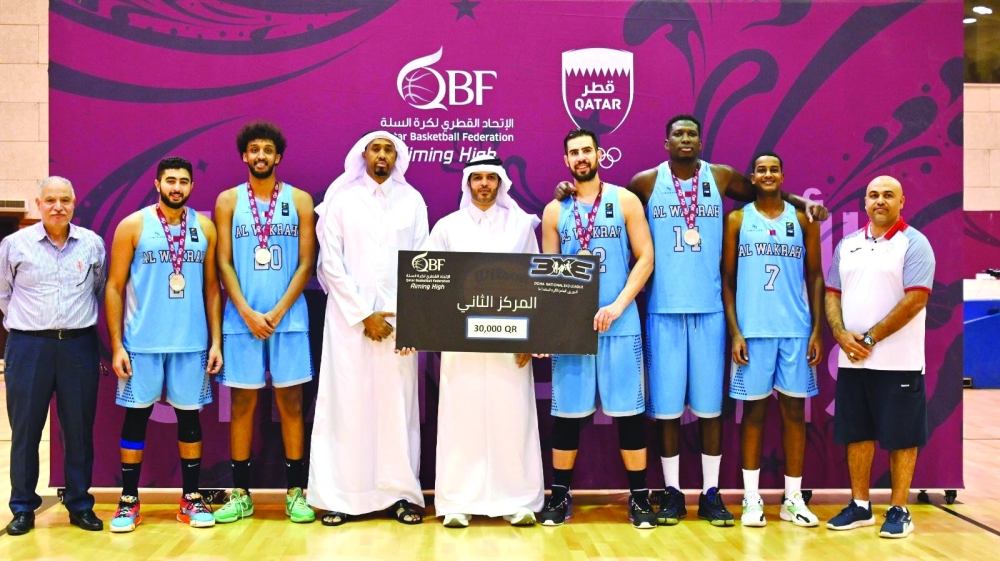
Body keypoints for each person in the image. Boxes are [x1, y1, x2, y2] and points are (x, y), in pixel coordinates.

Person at [557, 114, 828, 525]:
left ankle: (711, 493)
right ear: (666, 142)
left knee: (709, 410)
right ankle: (671, 494)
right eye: (678, 134)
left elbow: (764, 190)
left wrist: (801, 202)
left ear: (701, 141)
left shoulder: (719, 178)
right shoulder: (646, 182)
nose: (686, 138)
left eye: (692, 133)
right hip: (663, 310)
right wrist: (567, 188)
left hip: (711, 310)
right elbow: (601, 201)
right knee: (665, 411)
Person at [308, 131, 428, 526]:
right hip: (348, 324)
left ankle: (400, 496)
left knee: (398, 409)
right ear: (363, 155)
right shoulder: (341, 201)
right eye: (375, 148)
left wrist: (410, 319)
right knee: (348, 406)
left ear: (397, 157)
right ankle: (343, 497)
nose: (382, 155)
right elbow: (331, 264)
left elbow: (423, 264)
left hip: (399, 323)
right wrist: (364, 315)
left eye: (388, 149)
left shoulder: (412, 201)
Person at [539, 129, 657, 529]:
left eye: (586, 150)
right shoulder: (554, 211)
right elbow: (548, 276)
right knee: (567, 415)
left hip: (619, 323)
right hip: (574, 330)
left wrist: (618, 305)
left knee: (629, 414)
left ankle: (639, 499)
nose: (581, 157)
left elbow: (646, 258)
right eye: (573, 152)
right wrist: (549, 330)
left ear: (599, 154)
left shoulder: (624, 200)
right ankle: (559, 496)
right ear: (566, 161)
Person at [421, 155, 544, 528]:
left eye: (492, 178)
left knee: (513, 419)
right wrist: (437, 332)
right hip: (462, 345)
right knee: (462, 421)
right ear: (467, 183)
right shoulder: (446, 227)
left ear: (502, 183)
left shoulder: (521, 226)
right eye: (478, 178)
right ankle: (458, 501)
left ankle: (518, 499)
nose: (485, 184)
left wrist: (532, 336)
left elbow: (537, 280)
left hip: (511, 345)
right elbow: (429, 285)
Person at [104, 157, 222, 533]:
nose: (177, 187)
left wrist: (216, 342)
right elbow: (114, 287)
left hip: (191, 344)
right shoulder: (133, 225)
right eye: (170, 180)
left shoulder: (204, 227)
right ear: (157, 184)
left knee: (190, 419)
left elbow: (210, 288)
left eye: (184, 181)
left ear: (191, 186)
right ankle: (128, 501)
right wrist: (118, 346)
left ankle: (190, 498)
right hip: (141, 343)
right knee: (136, 417)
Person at [212, 122, 316, 524]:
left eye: (267, 150)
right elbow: (222, 261)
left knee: (291, 404)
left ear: (278, 157)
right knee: (243, 404)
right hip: (242, 318)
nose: (260, 156)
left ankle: (296, 493)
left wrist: (275, 312)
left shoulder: (301, 200)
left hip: (288, 318)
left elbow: (307, 262)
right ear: (244, 156)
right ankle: (240, 494)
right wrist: (248, 312)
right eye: (253, 149)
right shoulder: (227, 201)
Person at [825, 175, 934, 539]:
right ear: (865, 202)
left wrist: (869, 338)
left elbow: (915, 300)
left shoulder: (914, 244)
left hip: (898, 363)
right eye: (874, 195)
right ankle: (860, 506)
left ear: (902, 201)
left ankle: (899, 509)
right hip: (853, 362)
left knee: (902, 437)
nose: (880, 201)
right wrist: (841, 334)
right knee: (857, 434)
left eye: (889, 195)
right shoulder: (848, 244)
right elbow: (832, 294)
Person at [721, 152, 823, 528]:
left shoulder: (802, 219)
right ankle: (751, 498)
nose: (768, 174)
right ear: (752, 176)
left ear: (783, 175)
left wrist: (815, 329)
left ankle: (792, 499)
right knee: (754, 415)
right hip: (752, 332)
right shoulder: (736, 220)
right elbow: (727, 281)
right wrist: (735, 332)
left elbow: (815, 276)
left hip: (794, 331)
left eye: (774, 169)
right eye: (761, 169)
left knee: (795, 415)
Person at [1, 177, 106, 535]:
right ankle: (23, 508)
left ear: (74, 202)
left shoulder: (92, 244)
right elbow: (4, 294)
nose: (58, 206)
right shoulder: (14, 245)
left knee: (78, 430)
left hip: (78, 346)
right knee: (26, 432)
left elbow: (99, 290)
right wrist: (30, 326)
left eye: (65, 199)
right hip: (29, 347)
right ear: (38, 203)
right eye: (50, 200)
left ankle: (79, 504)